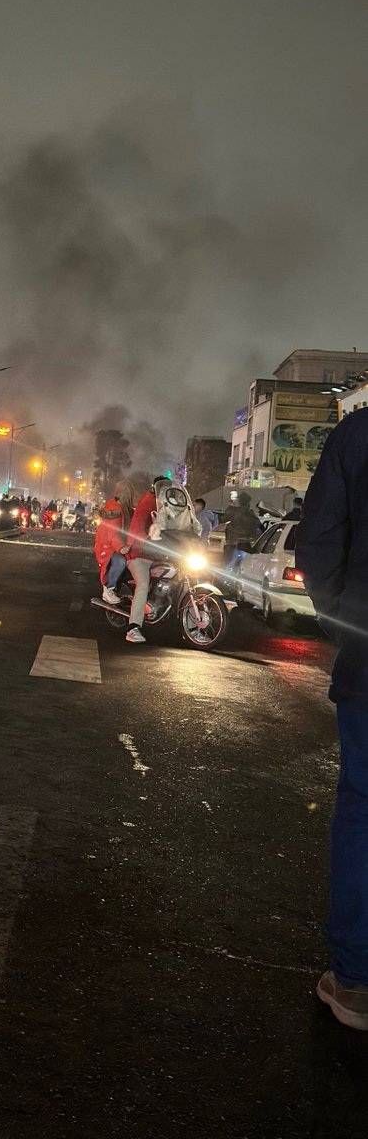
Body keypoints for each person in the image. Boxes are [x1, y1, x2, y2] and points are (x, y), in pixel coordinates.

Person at [296, 408, 368, 1029]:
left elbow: (319, 546)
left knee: (365, 812)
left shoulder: (359, 436)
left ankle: (358, 982)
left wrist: (348, 629)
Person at [123, 475, 172, 644]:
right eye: (164, 488)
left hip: (153, 553)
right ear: (156, 488)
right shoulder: (149, 502)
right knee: (143, 584)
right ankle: (133, 628)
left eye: (169, 488)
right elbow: (139, 528)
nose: (167, 491)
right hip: (138, 553)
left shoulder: (163, 504)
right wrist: (147, 540)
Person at [92, 480, 136, 606]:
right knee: (120, 561)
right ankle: (108, 589)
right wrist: (121, 547)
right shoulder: (115, 509)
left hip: (119, 545)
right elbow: (113, 533)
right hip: (108, 547)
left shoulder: (126, 509)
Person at [224, 492, 259, 568]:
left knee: (230, 565)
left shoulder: (233, 511)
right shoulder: (248, 513)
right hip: (242, 543)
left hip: (234, 543)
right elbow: (257, 525)